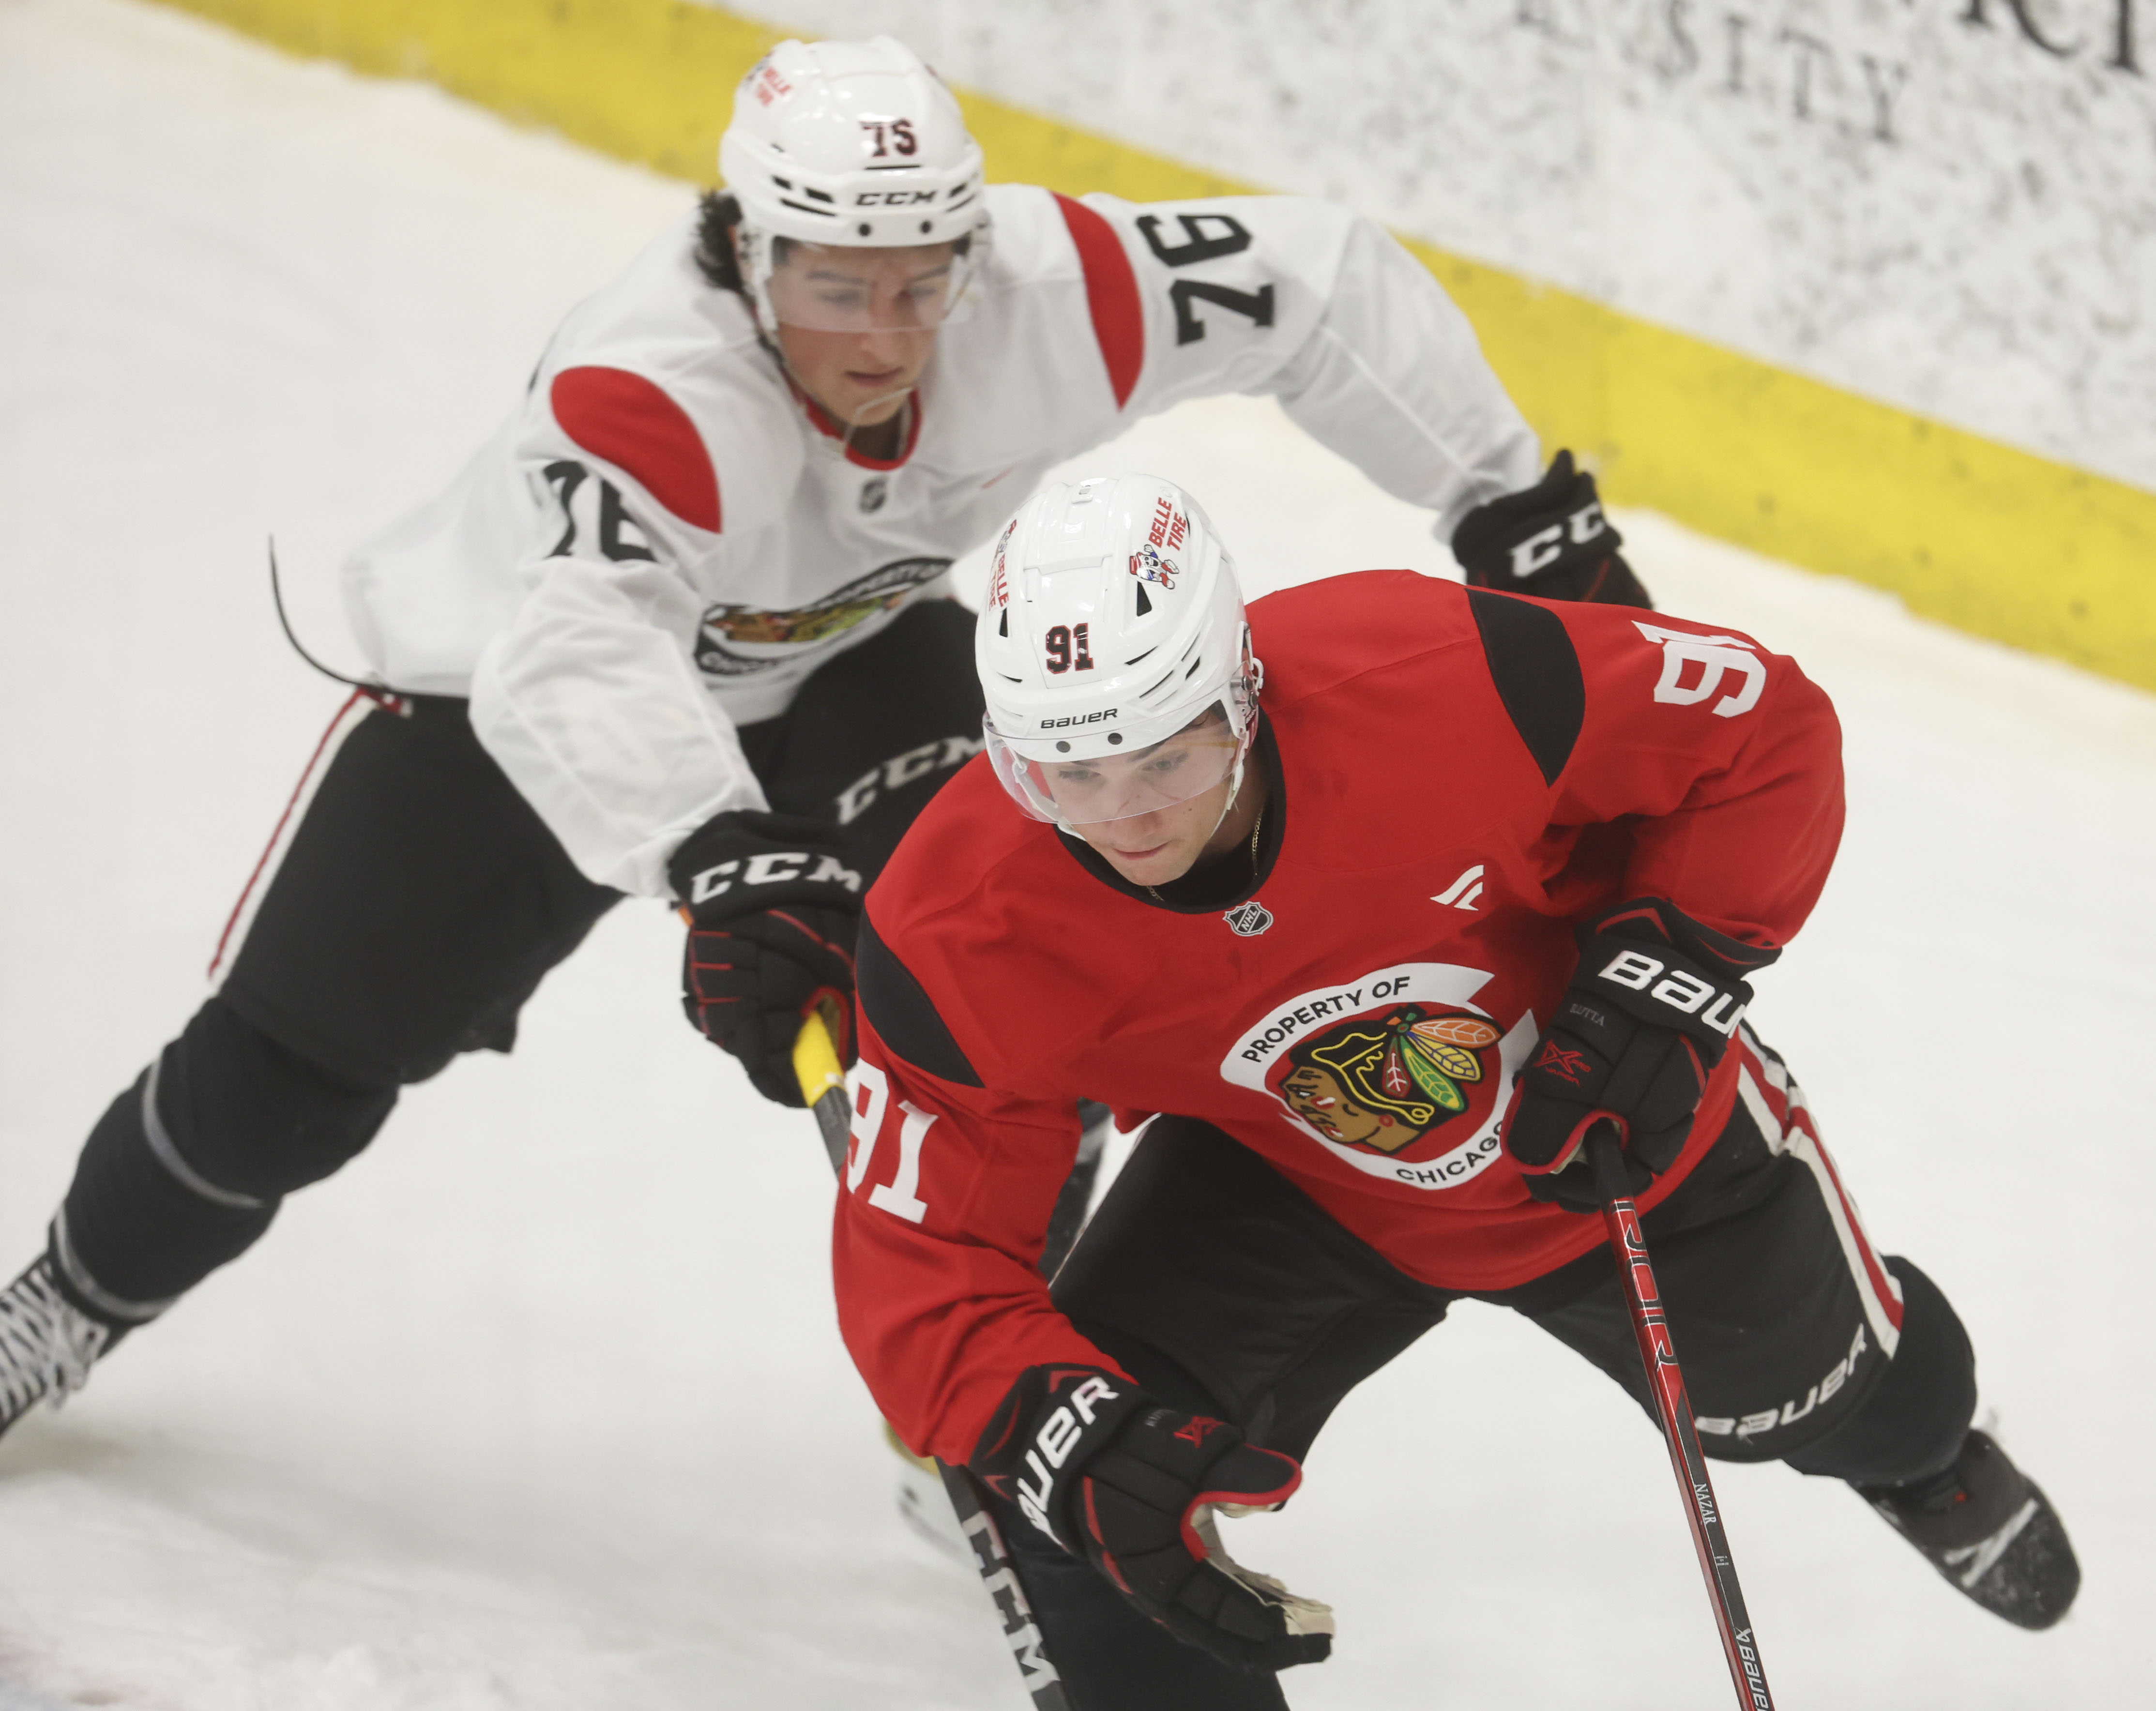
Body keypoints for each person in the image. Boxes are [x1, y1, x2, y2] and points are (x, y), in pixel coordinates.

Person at [0, 36, 1643, 1438]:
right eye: (836, 286)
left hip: (858, 658)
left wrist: (1519, 509)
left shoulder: (1052, 292)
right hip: (520, 706)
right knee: (291, 1075)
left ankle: (1000, 1395)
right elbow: (572, 657)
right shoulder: (649, 392)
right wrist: (727, 860)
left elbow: (1323, 279)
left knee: (1030, 1000)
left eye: (923, 282)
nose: (884, 335)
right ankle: (63, 1306)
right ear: (745, 252)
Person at [830, 472, 2081, 1709]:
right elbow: (920, 1254)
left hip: (1597, 1110)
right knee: (1083, 1500)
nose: (1125, 818)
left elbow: (1763, 733)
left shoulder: (1430, 672)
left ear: (1241, 690)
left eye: (1166, 754)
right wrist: (1063, 1431)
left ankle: (1927, 1461)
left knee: (1824, 1403)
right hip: (1282, 1167)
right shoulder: (955, 926)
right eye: (1067, 774)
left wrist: (1673, 969)